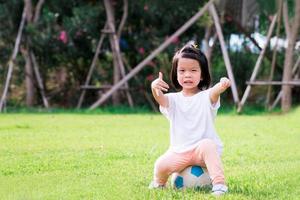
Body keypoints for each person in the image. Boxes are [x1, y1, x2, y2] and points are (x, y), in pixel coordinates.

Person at [149, 41, 231, 196]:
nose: (187, 74)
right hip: (179, 152)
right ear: (176, 74)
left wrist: (222, 85)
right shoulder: (172, 99)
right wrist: (154, 87)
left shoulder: (206, 96)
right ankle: (159, 184)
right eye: (182, 70)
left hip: (201, 151)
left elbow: (214, 92)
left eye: (193, 70)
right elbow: (160, 99)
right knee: (160, 165)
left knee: (209, 145)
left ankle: (219, 185)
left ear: (202, 75)